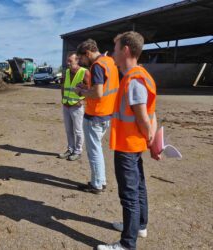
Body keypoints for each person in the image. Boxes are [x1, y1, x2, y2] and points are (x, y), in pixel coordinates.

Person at [97, 31, 161, 250]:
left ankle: (127, 244)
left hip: (128, 145)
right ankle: (139, 226)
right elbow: (151, 115)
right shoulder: (142, 75)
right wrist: (150, 140)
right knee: (139, 187)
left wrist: (151, 139)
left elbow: (143, 116)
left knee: (129, 195)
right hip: (134, 144)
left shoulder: (133, 80)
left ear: (125, 50)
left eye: (115, 48)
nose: (113, 53)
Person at [76, 39, 120, 194]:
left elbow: (98, 93)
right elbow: (103, 88)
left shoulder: (97, 66)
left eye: (81, 58)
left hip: (95, 115)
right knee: (97, 150)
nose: (81, 62)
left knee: (94, 151)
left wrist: (81, 92)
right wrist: (87, 87)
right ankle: (100, 181)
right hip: (107, 114)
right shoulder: (109, 62)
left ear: (87, 53)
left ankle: (96, 185)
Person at [58, 52, 90, 161]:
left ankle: (78, 151)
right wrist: (63, 98)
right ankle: (70, 149)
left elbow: (91, 89)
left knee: (78, 130)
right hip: (66, 105)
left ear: (77, 61)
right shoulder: (66, 72)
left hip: (76, 106)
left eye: (70, 61)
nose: (68, 63)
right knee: (68, 130)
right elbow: (63, 86)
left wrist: (83, 101)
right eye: (67, 61)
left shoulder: (84, 72)